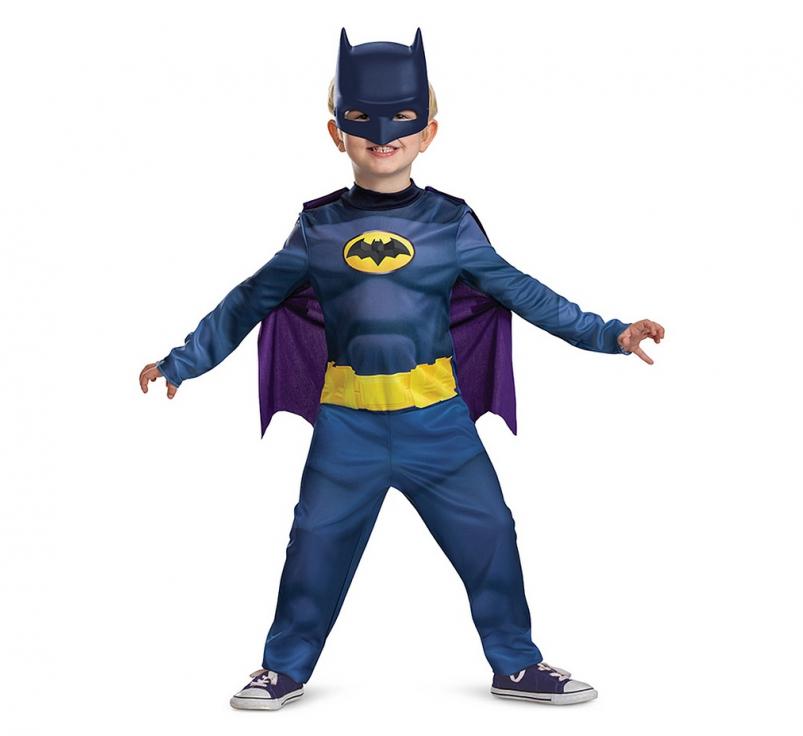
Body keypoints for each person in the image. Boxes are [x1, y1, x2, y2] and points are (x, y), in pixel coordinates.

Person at [139, 27, 665, 711]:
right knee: (314, 545)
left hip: (438, 424)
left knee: (490, 535)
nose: (382, 135)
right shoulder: (317, 228)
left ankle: (516, 664)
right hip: (347, 428)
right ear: (337, 133)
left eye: (400, 120)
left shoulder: (450, 223)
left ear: (428, 133)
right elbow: (249, 300)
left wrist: (610, 333)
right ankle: (283, 669)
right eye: (362, 120)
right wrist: (184, 360)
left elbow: (523, 292)